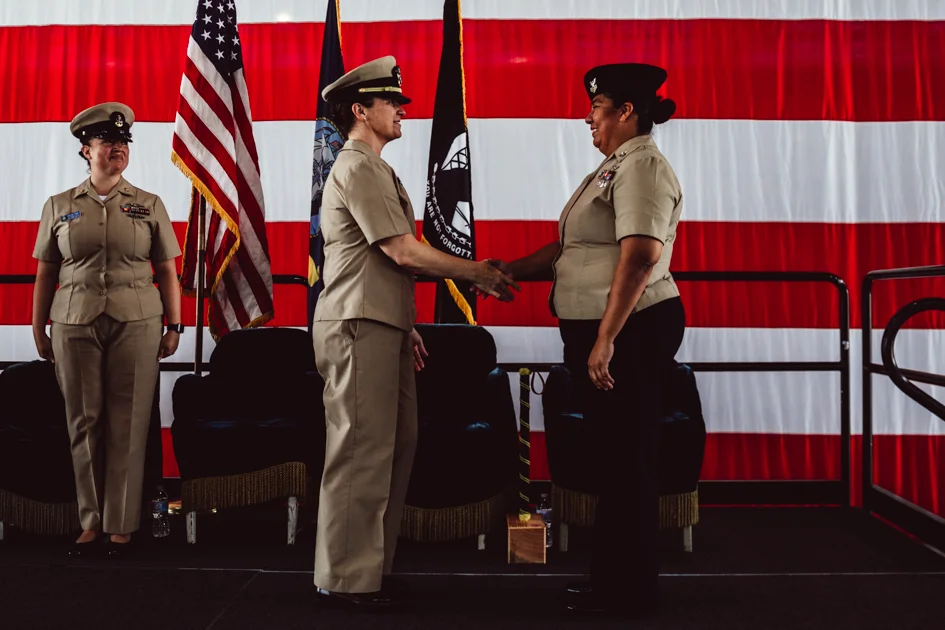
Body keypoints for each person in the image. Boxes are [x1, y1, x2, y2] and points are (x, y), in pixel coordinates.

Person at [310, 55, 519, 611]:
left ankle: (369, 570)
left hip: (381, 323)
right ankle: (344, 579)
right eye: (392, 102)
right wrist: (476, 273)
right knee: (361, 451)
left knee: (393, 447)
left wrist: (404, 324)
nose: (402, 109)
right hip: (358, 325)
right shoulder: (358, 167)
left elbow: (385, 263)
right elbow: (401, 251)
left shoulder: (375, 168)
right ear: (361, 110)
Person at [488, 63, 685, 616]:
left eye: (597, 107)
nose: (587, 117)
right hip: (610, 332)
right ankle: (612, 582)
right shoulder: (613, 167)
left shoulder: (642, 166)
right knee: (614, 461)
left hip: (631, 331)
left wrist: (606, 337)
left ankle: (630, 593)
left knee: (628, 462)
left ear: (627, 111)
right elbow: (570, 249)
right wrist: (509, 270)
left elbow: (641, 256)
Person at [31, 102, 183, 557]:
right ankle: (91, 520)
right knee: (84, 421)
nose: (118, 148)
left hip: (137, 321)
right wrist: (38, 327)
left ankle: (121, 522)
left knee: (129, 423)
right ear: (86, 150)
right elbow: (46, 272)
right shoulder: (59, 206)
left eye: (123, 142)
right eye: (107, 141)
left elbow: (167, 270)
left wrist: (174, 325)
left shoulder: (148, 204)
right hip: (74, 322)